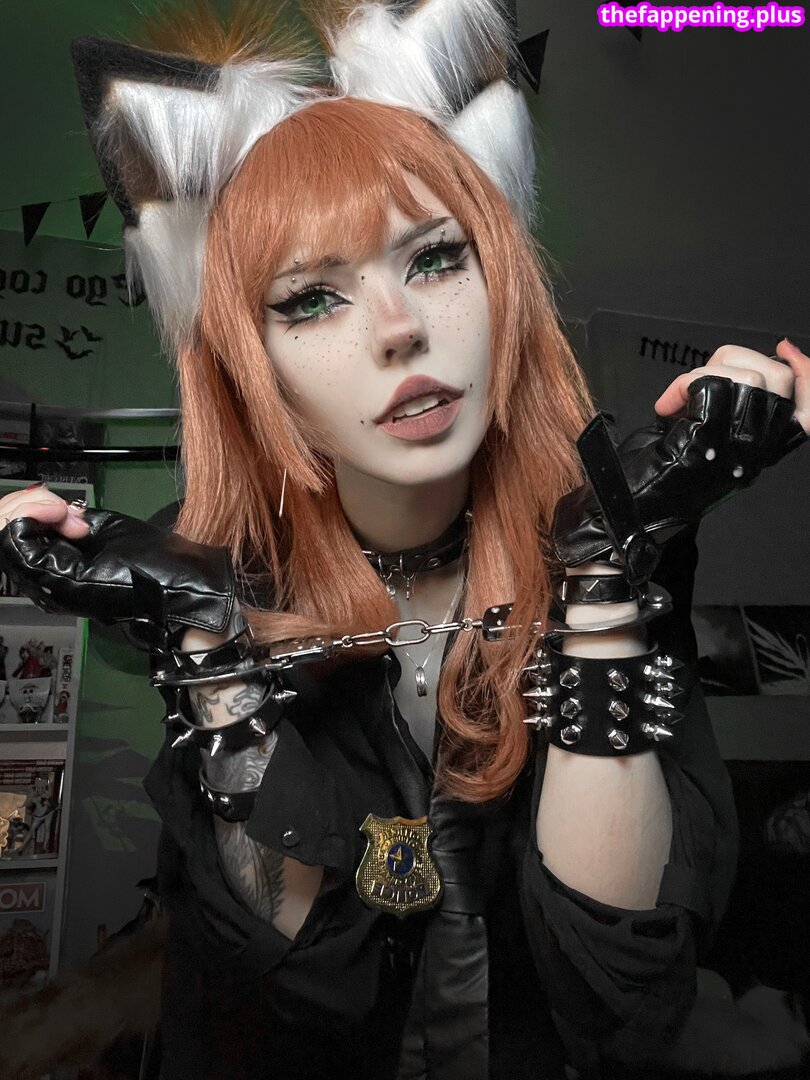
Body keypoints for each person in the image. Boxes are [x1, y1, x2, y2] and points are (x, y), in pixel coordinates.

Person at [0, 2, 808, 1078]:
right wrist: (207, 643)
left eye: (434, 259)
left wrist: (603, 570)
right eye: (310, 300)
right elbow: (292, 992)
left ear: (499, 280)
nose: (398, 329)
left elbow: (622, 995)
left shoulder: (612, 534)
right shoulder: (208, 578)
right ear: (251, 366)